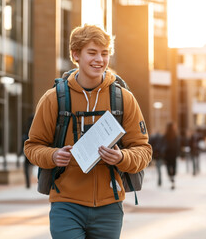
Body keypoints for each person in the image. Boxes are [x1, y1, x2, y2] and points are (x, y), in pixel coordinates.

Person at [24, 24, 152, 239]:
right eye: (92, 53)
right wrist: (53, 155)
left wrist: (122, 157)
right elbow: (32, 146)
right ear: (75, 55)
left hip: (109, 206)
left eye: (104, 54)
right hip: (66, 204)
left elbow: (144, 150)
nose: (99, 60)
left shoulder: (124, 99)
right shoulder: (54, 99)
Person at [163, 122, 180, 190]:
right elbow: (177, 145)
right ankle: (172, 177)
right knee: (173, 166)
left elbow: (163, 144)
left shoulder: (165, 135)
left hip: (168, 154)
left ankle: (171, 177)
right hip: (173, 154)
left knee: (168, 166)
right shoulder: (175, 135)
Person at [21, 114, 34, 188]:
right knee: (29, 166)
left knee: (26, 166)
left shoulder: (28, 126)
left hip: (28, 150)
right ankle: (29, 181)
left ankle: (28, 182)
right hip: (32, 150)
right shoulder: (35, 125)